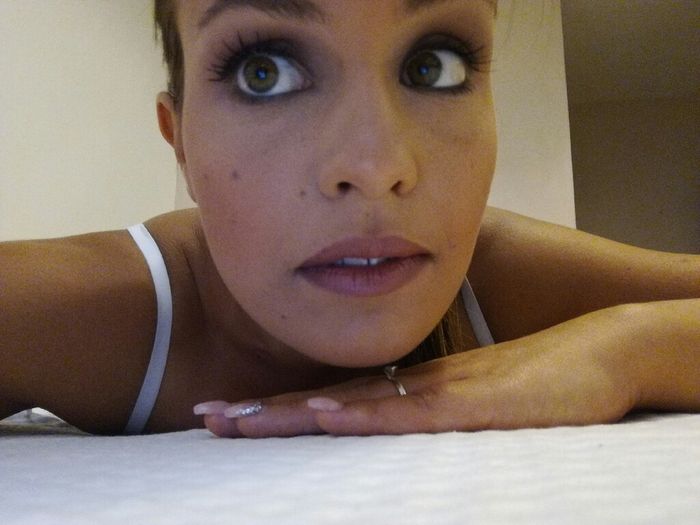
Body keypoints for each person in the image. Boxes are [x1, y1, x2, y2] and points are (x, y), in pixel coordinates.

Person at [1, 0, 698, 438]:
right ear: (178, 137)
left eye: (434, 66)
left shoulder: (492, 275)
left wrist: (627, 349)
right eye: (263, 72)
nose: (375, 164)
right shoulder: (108, 306)